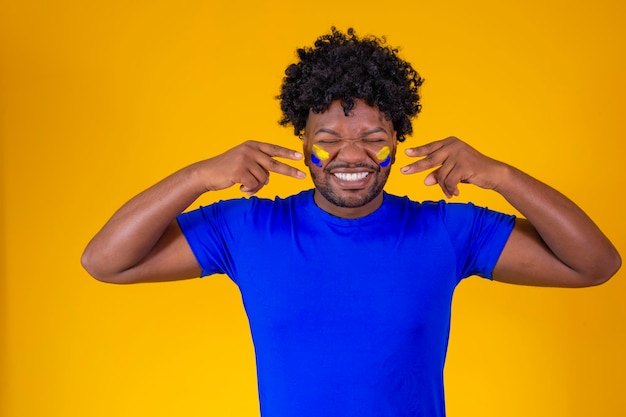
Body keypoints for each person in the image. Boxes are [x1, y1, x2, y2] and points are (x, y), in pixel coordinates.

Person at [81, 27, 621, 417]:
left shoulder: (449, 232)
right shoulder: (245, 229)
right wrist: (199, 176)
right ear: (304, 144)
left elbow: (597, 263)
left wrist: (500, 174)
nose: (352, 155)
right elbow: (104, 261)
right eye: (330, 138)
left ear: (396, 141)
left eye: (373, 137)